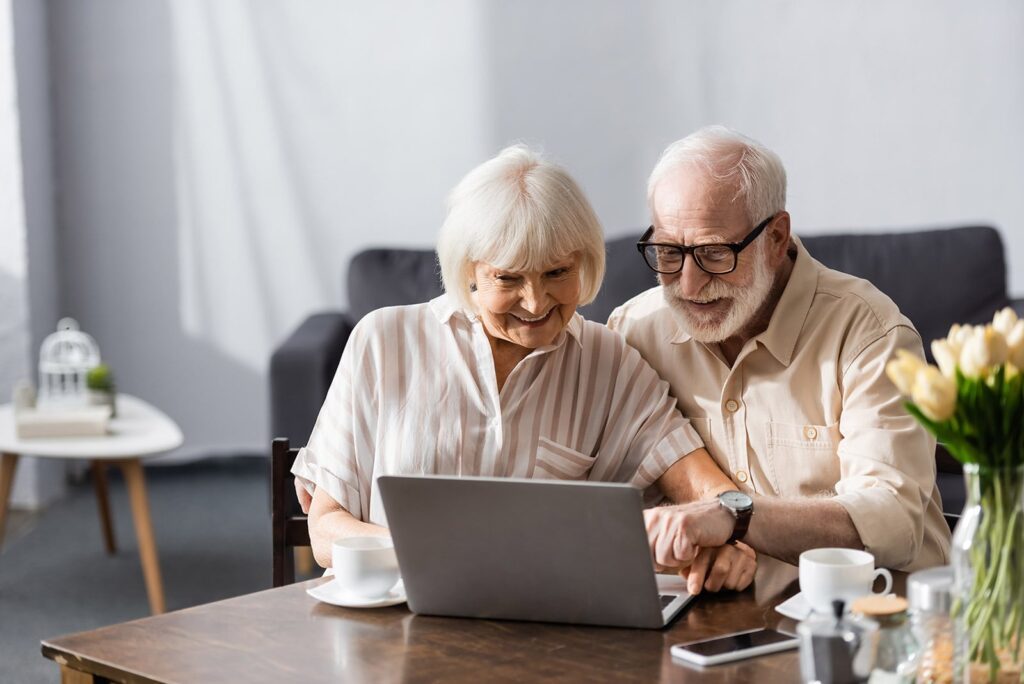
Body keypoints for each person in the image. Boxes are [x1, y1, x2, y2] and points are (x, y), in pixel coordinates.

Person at [292, 144, 755, 594]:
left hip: (537, 634)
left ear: (585, 264)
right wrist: (444, 554)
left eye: (557, 273)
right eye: (508, 278)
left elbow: (708, 490)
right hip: (389, 625)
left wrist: (728, 538)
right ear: (468, 271)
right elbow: (327, 532)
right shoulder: (383, 340)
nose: (535, 304)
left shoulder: (609, 362)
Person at [609, 126, 950, 572]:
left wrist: (733, 516)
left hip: (874, 614)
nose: (688, 285)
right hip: (723, 620)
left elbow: (892, 522)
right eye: (669, 252)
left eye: (714, 253)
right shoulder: (634, 331)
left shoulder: (870, 333)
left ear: (775, 237)